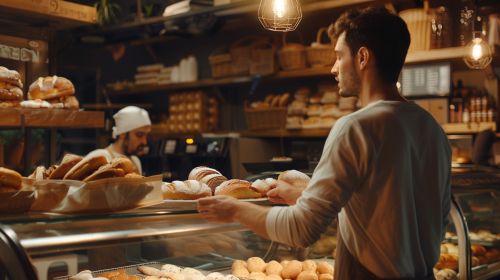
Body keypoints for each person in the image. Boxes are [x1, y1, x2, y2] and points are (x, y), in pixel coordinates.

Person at [197, 6, 451, 280]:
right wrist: (304, 198)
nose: (333, 67)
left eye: (340, 56)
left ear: (363, 57)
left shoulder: (355, 127)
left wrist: (236, 209)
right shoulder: (432, 128)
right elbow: (410, 219)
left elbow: (301, 230)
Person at [85, 106, 151, 175]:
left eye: (147, 135)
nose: (144, 142)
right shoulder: (100, 157)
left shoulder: (136, 161)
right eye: (139, 135)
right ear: (122, 133)